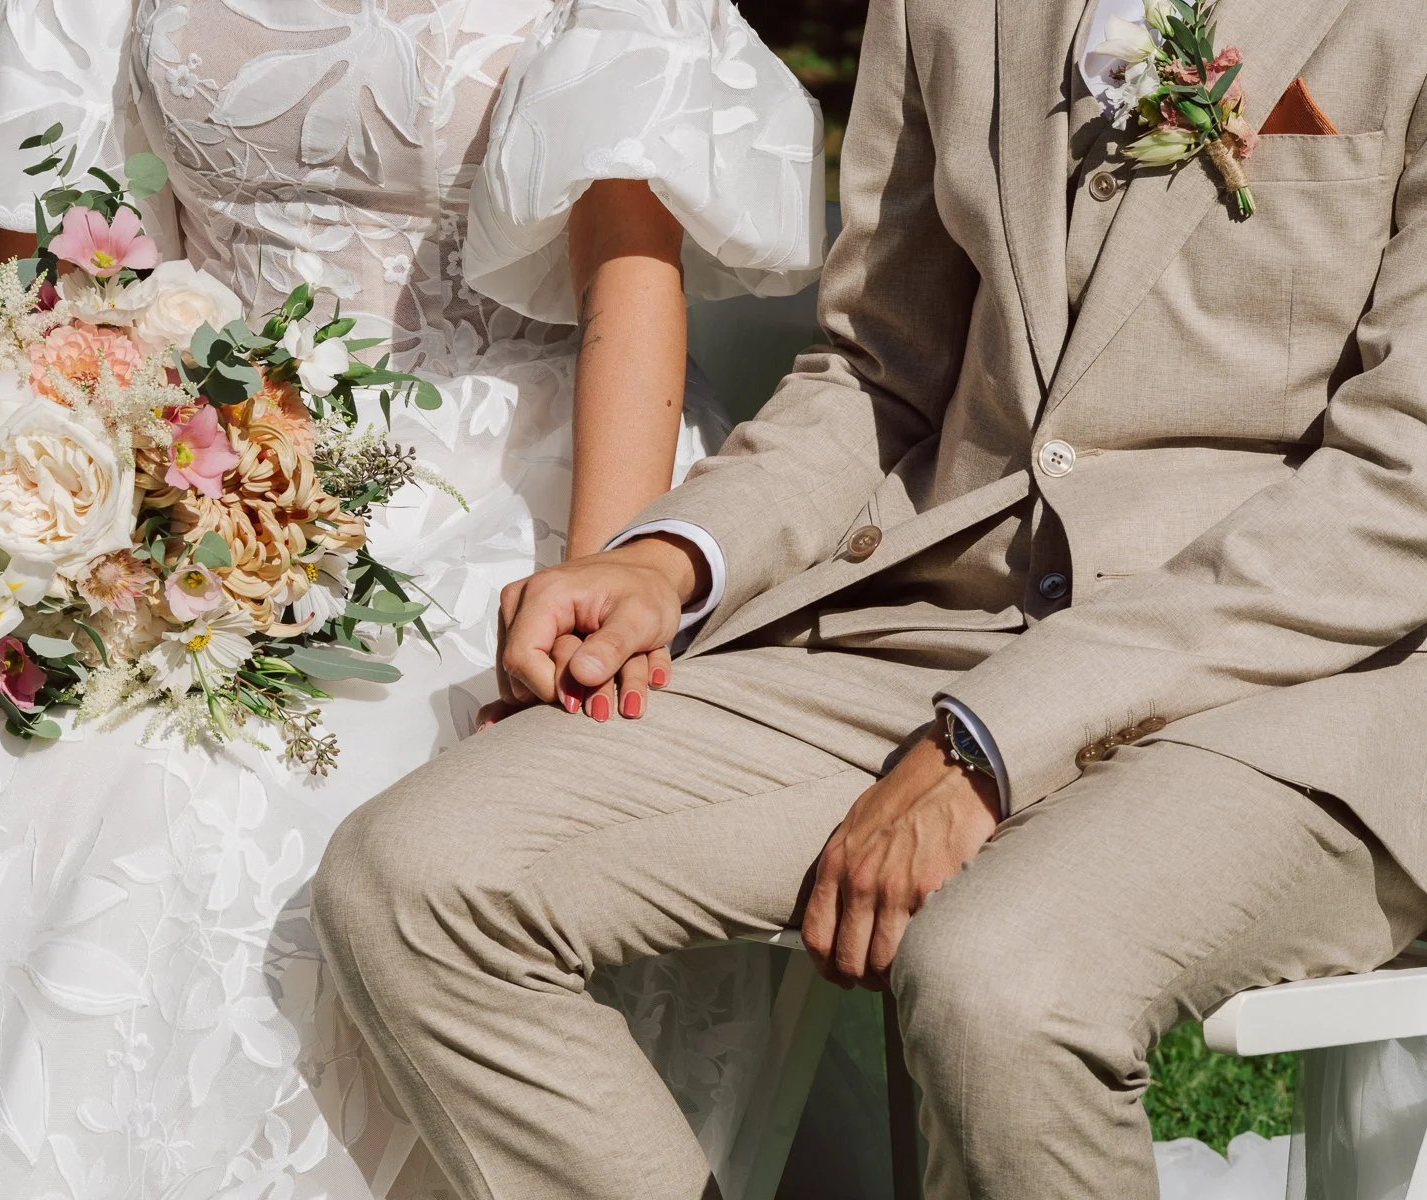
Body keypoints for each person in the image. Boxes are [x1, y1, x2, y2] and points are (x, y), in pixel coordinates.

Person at [0, 2, 830, 1196]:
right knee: (17, 741)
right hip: (186, 441)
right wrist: (25, 461)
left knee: (219, 795)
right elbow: (55, 254)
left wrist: (601, 580)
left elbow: (631, 286)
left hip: (503, 480)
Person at [310, 0, 1427, 1197]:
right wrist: (667, 558)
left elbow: (1398, 489)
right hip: (937, 632)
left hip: (1296, 677)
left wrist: (989, 743)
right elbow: (878, 373)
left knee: (999, 989)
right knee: (419, 877)